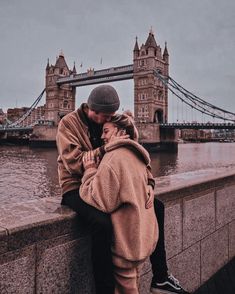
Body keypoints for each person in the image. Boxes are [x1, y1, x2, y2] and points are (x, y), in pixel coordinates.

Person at [56, 84, 189, 294]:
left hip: (108, 183)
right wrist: (107, 148)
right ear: (93, 110)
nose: (105, 124)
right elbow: (73, 162)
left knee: (158, 207)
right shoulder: (68, 124)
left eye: (111, 116)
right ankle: (105, 289)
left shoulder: (109, 120)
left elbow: (132, 157)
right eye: (105, 116)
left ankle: (161, 277)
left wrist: (149, 186)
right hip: (76, 187)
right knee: (102, 223)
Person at [80, 113, 158, 293]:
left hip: (125, 243)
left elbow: (98, 199)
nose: (102, 136)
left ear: (121, 131)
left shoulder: (113, 159)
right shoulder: (137, 155)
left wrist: (90, 170)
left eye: (106, 131)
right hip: (142, 238)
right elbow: (148, 179)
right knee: (134, 282)